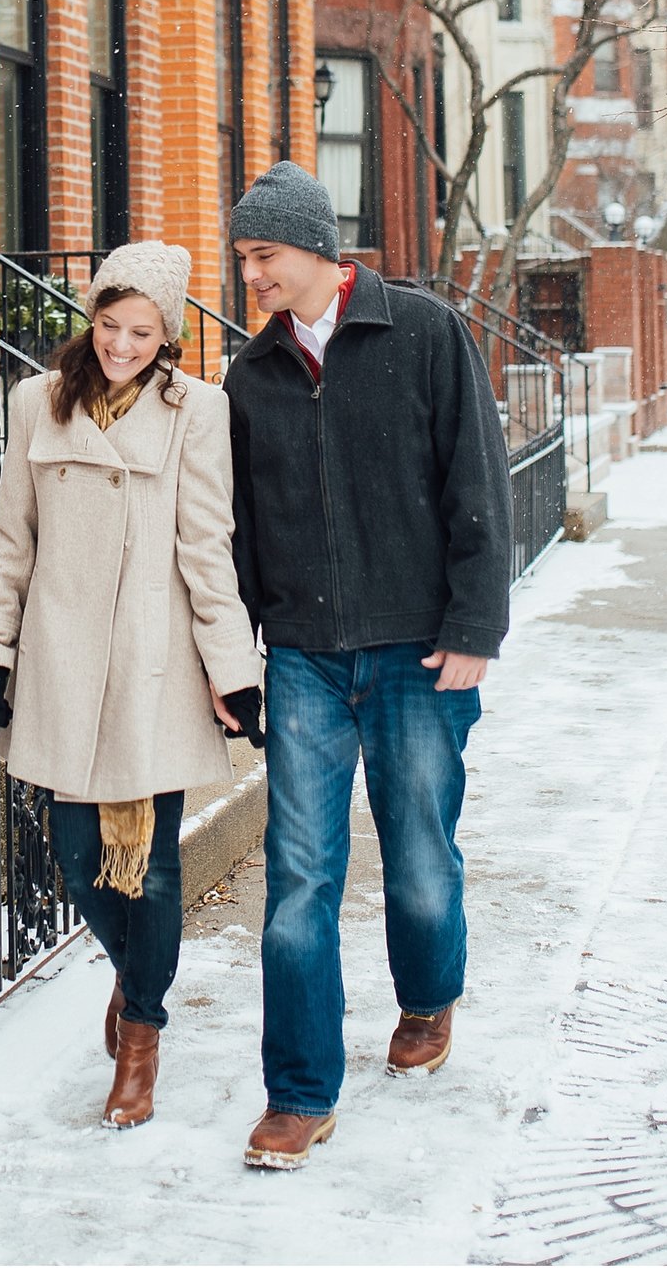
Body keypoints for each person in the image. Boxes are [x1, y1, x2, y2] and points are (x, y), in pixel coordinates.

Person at [225, 162, 511, 1171]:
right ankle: (298, 1092)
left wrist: (475, 627)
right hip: (301, 655)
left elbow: (474, 479)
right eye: (244, 258)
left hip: (416, 649)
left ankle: (428, 998)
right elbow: (237, 531)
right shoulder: (249, 375)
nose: (249, 275)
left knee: (420, 857)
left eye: (261, 256)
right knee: (299, 877)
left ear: (313, 248)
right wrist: (236, 660)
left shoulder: (423, 335)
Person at [0, 242, 266, 1130]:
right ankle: (138, 981)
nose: (122, 346)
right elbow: (10, 539)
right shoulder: (35, 402)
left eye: (142, 332)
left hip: (152, 664)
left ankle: (140, 1032)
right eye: (108, 325)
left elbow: (208, 548)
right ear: (88, 318)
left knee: (155, 873)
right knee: (76, 862)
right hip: (59, 661)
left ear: (168, 336)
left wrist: (234, 672)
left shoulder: (196, 412)